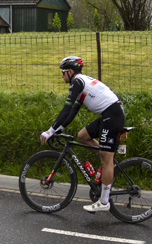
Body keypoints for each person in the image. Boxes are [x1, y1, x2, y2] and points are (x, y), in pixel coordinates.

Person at [39, 55, 125, 213]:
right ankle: (106, 160)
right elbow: (71, 113)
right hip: (110, 113)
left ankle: (104, 201)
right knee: (83, 136)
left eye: (63, 72)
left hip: (112, 115)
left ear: (71, 72)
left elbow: (66, 108)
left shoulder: (77, 82)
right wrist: (58, 130)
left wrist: (50, 131)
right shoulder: (81, 83)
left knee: (107, 159)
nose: (62, 75)